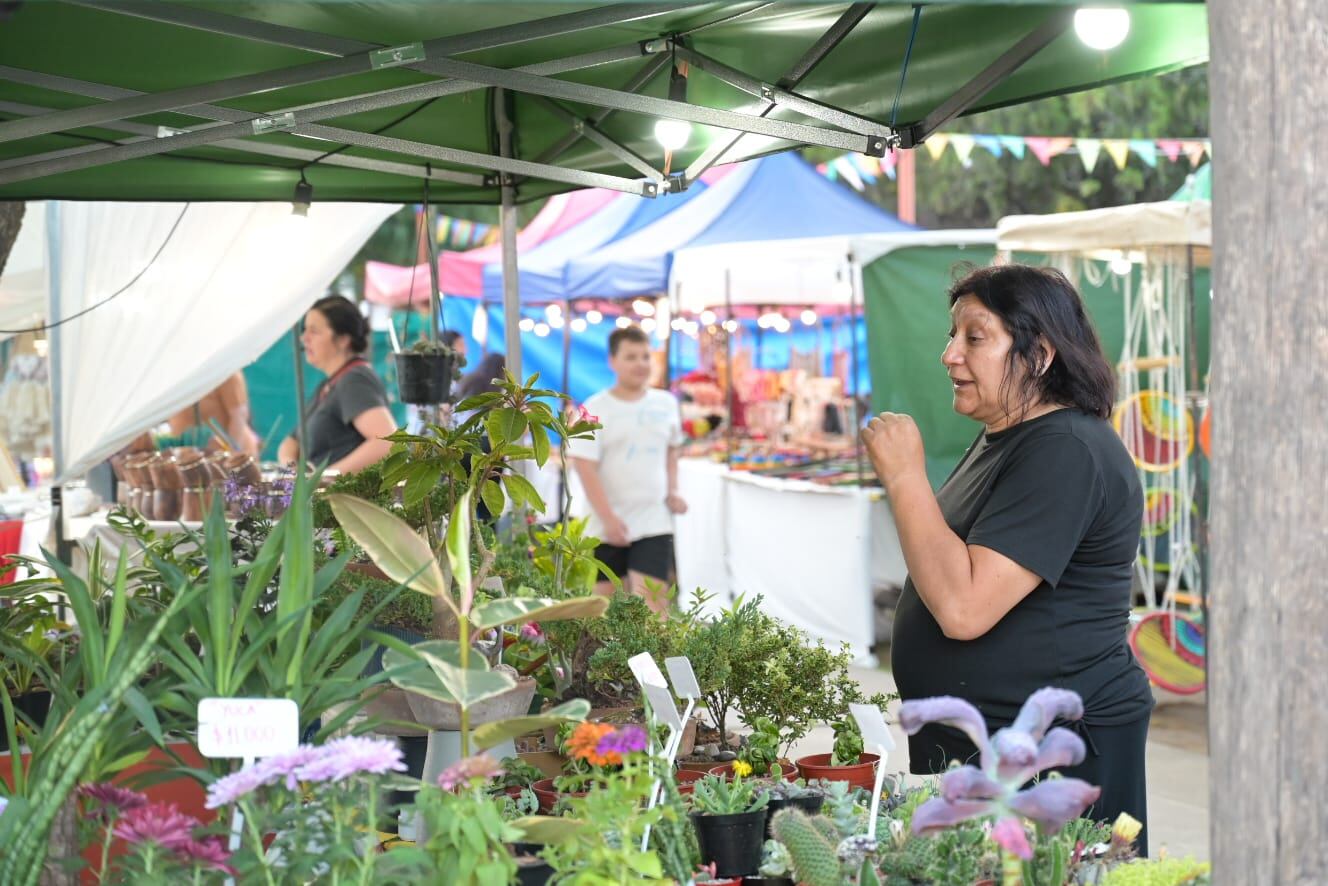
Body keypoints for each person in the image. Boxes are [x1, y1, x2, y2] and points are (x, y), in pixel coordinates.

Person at [863, 264, 1153, 853]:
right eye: (952, 335)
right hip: (1004, 748)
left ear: (1039, 354)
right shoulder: (1008, 434)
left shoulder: (1065, 449)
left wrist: (904, 478)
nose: (949, 355)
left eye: (974, 337)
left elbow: (965, 608)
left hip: (1064, 749)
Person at [569, 325, 686, 613]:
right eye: (631, 357)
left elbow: (672, 450)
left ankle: (656, 659)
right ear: (612, 361)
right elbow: (584, 465)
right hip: (608, 524)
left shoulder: (667, 403)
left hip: (654, 521)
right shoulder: (594, 408)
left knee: (653, 607)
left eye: (646, 356)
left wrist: (673, 491)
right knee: (606, 610)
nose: (641, 364)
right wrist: (608, 519)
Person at [278, 295, 395, 474]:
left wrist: (322, 479)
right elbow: (291, 442)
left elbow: (386, 442)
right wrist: (293, 472)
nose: (304, 338)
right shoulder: (329, 384)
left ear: (343, 339)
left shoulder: (354, 379)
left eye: (314, 331)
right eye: (305, 330)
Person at [166, 372, 261, 456]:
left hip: (227, 456)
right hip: (192, 456)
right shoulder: (175, 373)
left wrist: (232, 455)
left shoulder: (225, 370)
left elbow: (239, 415)